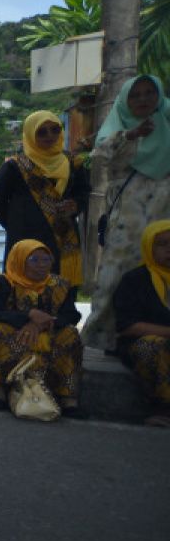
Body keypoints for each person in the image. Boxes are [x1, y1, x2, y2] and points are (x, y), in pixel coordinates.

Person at [83, 75, 170, 351]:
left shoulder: (166, 121)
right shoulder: (117, 125)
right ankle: (104, 336)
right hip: (128, 220)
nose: (143, 100)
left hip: (163, 215)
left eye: (149, 93)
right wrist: (131, 135)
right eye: (135, 95)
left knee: (161, 273)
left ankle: (156, 329)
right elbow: (99, 156)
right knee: (114, 275)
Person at [0, 240, 84, 417]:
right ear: (19, 260)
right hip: (15, 332)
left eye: (46, 260)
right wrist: (28, 316)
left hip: (49, 332)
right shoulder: (4, 282)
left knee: (70, 335)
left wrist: (43, 322)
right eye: (34, 260)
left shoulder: (59, 284)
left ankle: (69, 399)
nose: (41, 266)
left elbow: (72, 315)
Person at [0, 111, 89, 289]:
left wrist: (76, 205)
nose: (50, 135)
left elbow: (84, 193)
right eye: (41, 132)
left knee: (61, 293)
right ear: (30, 135)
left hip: (62, 239)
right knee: (22, 292)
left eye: (55, 129)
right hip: (25, 241)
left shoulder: (73, 164)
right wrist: (16, 224)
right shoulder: (15, 167)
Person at [112, 220, 170, 427]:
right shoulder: (136, 280)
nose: (169, 250)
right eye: (163, 244)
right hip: (140, 342)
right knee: (152, 346)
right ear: (149, 247)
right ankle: (162, 407)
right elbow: (128, 326)